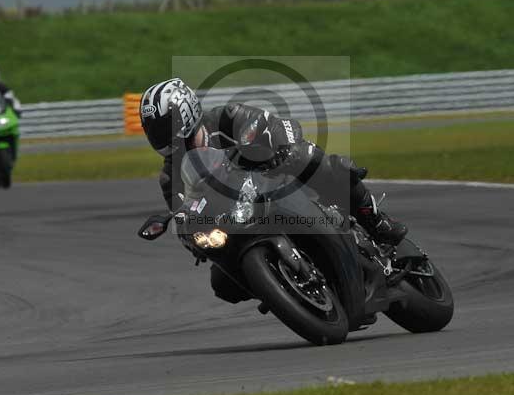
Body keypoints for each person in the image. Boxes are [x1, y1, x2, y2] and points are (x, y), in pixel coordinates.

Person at [138, 78, 408, 303]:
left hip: (275, 182)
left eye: (165, 126)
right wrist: (192, 239)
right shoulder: (169, 177)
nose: (160, 135)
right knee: (222, 284)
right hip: (239, 220)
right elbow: (184, 217)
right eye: (154, 130)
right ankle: (282, 288)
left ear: (186, 113)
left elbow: (278, 125)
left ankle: (376, 221)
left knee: (314, 160)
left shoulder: (226, 118)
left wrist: (282, 149)